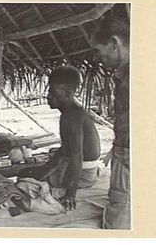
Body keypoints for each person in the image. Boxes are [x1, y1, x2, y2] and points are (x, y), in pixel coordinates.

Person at [20, 66, 101, 211]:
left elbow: (77, 155)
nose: (49, 96)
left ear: (68, 93)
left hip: (84, 175)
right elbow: (66, 148)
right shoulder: (71, 113)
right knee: (35, 172)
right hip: (86, 171)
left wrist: (70, 193)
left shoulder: (71, 117)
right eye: (49, 91)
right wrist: (47, 168)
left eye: (53, 92)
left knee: (25, 177)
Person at [90, 16, 130, 229]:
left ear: (114, 44)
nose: (96, 58)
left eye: (98, 50)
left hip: (129, 158)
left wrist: (124, 151)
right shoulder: (126, 75)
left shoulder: (134, 76)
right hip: (125, 153)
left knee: (120, 216)